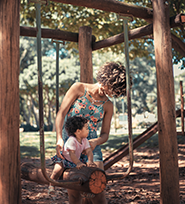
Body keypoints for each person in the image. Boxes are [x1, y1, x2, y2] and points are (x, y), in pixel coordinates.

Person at [54, 61, 130, 204]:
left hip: (91, 146)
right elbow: (61, 113)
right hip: (71, 143)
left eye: (112, 92)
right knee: (75, 195)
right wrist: (59, 139)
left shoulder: (108, 105)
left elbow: (105, 134)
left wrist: (96, 142)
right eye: (108, 87)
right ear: (104, 77)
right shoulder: (79, 88)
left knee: (97, 191)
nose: (107, 92)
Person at [49, 116, 96, 188]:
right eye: (86, 128)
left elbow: (89, 151)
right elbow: (72, 154)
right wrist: (78, 163)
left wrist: (90, 161)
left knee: (83, 170)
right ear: (78, 131)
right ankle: (52, 184)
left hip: (75, 160)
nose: (88, 130)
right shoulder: (72, 140)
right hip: (65, 159)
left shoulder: (84, 140)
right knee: (57, 170)